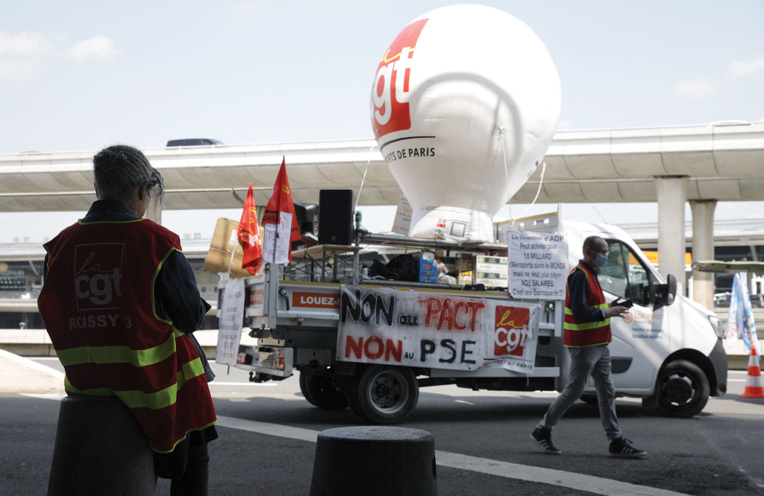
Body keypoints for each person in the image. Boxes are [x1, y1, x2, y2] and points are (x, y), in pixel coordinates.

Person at [38, 144, 218, 494]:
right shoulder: (155, 241)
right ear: (140, 190)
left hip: (85, 384)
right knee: (197, 449)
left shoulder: (59, 246)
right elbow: (189, 318)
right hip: (150, 391)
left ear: (99, 189)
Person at [530, 235, 646, 458]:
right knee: (575, 389)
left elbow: (591, 305)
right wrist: (606, 312)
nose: (605, 255)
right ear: (588, 251)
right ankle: (542, 430)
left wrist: (611, 306)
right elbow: (580, 311)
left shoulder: (590, 275)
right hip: (585, 344)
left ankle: (615, 440)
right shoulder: (579, 275)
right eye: (601, 251)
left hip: (598, 342)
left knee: (607, 389)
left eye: (606, 251)